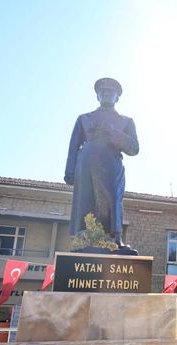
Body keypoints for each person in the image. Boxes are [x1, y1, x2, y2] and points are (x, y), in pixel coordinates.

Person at [64, 78, 139, 247]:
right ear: (97, 96)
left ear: (117, 97)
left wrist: (114, 133)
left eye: (110, 91)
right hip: (85, 165)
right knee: (86, 200)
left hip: (111, 164)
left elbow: (134, 148)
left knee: (113, 199)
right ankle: (85, 239)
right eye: (102, 91)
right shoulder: (84, 118)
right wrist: (70, 171)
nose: (105, 93)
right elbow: (73, 146)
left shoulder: (126, 121)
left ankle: (116, 238)